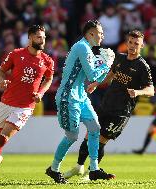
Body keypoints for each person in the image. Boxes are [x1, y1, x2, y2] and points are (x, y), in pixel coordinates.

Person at [0, 25, 54, 181]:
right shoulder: (16, 54)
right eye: (39, 37)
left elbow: (49, 78)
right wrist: (1, 81)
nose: (43, 40)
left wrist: (41, 93)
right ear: (31, 37)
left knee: (2, 139)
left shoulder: (47, 60)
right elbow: (0, 71)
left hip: (25, 107)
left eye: (44, 37)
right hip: (6, 102)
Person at [63, 30, 154, 180]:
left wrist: (137, 92)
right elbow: (110, 76)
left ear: (142, 45)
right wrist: (96, 83)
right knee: (89, 136)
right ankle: (79, 167)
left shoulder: (142, 66)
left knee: (101, 140)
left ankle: (91, 172)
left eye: (136, 43)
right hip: (106, 104)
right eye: (130, 42)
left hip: (121, 111)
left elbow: (151, 90)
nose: (132, 46)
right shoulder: (120, 58)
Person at [45, 20, 115, 184]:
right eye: (100, 33)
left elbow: (92, 77)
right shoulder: (82, 47)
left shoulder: (87, 49)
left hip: (80, 96)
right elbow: (93, 75)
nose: (102, 36)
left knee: (95, 128)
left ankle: (94, 169)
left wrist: (103, 65)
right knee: (72, 136)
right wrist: (106, 64)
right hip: (68, 97)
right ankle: (53, 169)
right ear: (91, 33)